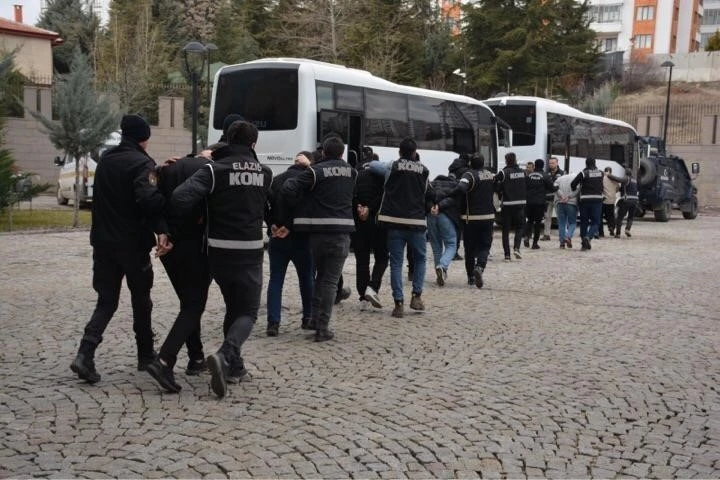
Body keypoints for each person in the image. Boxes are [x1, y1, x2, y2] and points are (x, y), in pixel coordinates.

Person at [171, 120, 272, 399]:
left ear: (227, 140)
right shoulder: (265, 173)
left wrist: (203, 211)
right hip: (249, 251)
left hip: (217, 251)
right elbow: (268, 206)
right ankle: (225, 355)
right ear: (253, 144)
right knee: (248, 311)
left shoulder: (214, 171)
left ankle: (235, 368)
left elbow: (180, 198)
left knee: (233, 306)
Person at [70, 114, 171, 384]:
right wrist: (164, 190)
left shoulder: (106, 161)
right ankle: (146, 354)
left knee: (106, 301)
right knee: (141, 300)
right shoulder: (142, 163)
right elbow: (147, 200)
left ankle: (85, 353)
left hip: (103, 244)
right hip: (133, 245)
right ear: (144, 138)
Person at [144, 144, 222, 393]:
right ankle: (164, 361)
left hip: (169, 247)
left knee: (188, 303)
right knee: (194, 304)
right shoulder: (211, 171)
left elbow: (154, 203)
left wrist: (164, 233)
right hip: (195, 246)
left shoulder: (170, 167)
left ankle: (196, 358)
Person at [278, 135, 356, 341]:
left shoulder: (315, 171)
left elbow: (288, 188)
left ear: (323, 153)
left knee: (319, 277)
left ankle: (313, 319)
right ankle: (322, 327)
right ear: (341, 153)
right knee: (330, 280)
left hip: (318, 233)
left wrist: (305, 202)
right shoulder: (352, 172)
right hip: (342, 232)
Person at [369, 138, 434, 318]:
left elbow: (374, 166)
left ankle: (398, 303)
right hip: (416, 223)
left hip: (393, 221)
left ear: (399, 152)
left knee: (396, 262)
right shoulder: (424, 170)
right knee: (420, 259)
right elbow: (430, 193)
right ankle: (416, 296)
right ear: (414, 153)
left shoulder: (392, 167)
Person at [265, 151, 315, 336]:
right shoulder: (307, 182)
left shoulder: (277, 180)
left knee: (276, 279)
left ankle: (273, 322)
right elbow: (306, 207)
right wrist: (290, 226)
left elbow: (265, 201)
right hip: (301, 237)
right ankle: (308, 317)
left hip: (277, 237)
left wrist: (272, 224)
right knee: (306, 278)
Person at [443, 153, 495, 288]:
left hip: (470, 217)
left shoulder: (469, 175)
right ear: (483, 163)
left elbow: (461, 188)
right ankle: (480, 267)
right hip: (488, 216)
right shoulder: (490, 175)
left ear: (471, 164)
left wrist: (448, 193)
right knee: (485, 245)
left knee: (470, 248)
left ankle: (471, 277)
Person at [352, 146, 388, 308]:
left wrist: (359, 206)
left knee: (362, 259)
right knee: (381, 257)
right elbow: (384, 194)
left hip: (358, 220)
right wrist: (370, 208)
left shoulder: (356, 173)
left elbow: (350, 193)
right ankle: (372, 287)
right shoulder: (382, 175)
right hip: (377, 221)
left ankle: (362, 295)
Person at [428, 166, 460, 286]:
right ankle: (442, 266)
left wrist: (433, 207)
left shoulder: (432, 184)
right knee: (451, 244)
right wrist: (440, 207)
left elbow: (426, 198)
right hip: (445, 216)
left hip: (431, 215)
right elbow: (453, 200)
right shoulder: (454, 186)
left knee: (436, 248)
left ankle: (439, 274)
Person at [494, 152, 526, 261]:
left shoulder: (504, 172)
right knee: (519, 227)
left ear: (507, 160)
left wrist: (499, 191)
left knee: (506, 230)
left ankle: (507, 255)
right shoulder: (523, 172)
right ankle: (517, 248)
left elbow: (494, 181)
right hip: (520, 204)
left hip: (507, 205)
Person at [571, 157, 604, 251]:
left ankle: (584, 244)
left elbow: (573, 184)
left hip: (585, 200)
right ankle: (588, 238)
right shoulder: (601, 173)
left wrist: (577, 189)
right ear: (595, 163)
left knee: (584, 222)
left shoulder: (583, 173)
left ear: (586, 164)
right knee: (595, 222)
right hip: (597, 200)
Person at [523, 158, 554, 250]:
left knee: (529, 221)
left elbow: (524, 186)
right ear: (543, 166)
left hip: (529, 202)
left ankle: (527, 236)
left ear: (535, 166)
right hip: (540, 203)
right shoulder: (545, 176)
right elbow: (551, 187)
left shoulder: (528, 176)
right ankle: (535, 244)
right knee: (537, 223)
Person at [554, 171, 579, 248]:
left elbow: (555, 187)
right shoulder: (576, 178)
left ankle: (562, 243)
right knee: (572, 223)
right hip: (571, 203)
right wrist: (568, 196)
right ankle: (568, 237)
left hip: (560, 202)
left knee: (562, 223)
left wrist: (562, 196)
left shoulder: (559, 178)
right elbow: (577, 190)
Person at [542, 157, 564, 240]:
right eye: (550, 163)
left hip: (558, 198)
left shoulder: (562, 173)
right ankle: (546, 235)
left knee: (560, 217)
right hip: (547, 198)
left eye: (553, 163)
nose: (551, 164)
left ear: (557, 163)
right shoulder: (546, 173)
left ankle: (562, 235)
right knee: (547, 217)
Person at [615, 168, 639, 238]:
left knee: (620, 217)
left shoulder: (626, 179)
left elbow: (618, 180)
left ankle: (618, 233)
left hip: (626, 200)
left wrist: (609, 175)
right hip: (634, 201)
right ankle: (627, 229)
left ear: (626, 173)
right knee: (630, 217)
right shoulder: (634, 180)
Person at [599, 167, 620, 238]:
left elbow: (600, 188)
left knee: (600, 217)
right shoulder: (614, 180)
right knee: (611, 216)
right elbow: (618, 188)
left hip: (603, 200)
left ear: (605, 171)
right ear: (611, 172)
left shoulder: (602, 178)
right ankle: (611, 227)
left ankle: (601, 233)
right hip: (612, 200)